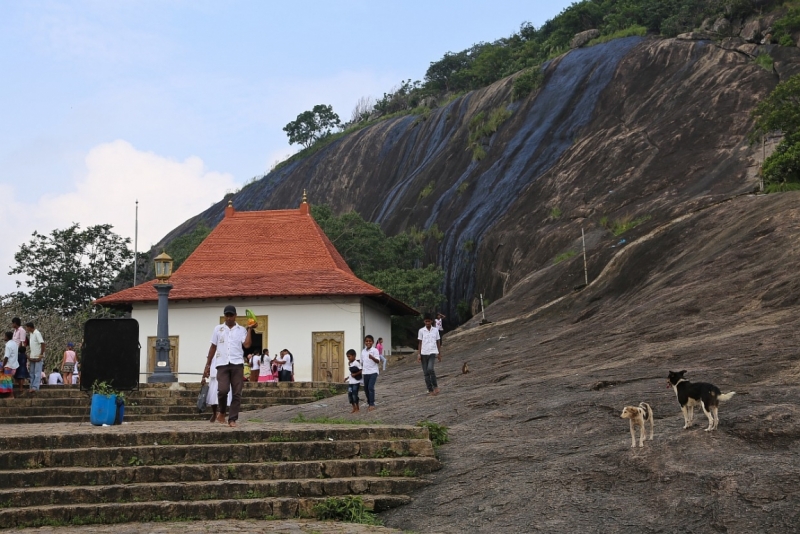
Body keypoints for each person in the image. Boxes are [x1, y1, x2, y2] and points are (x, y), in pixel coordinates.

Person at [202, 305, 255, 428]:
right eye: (227, 315)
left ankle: (232, 419)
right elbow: (213, 347)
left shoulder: (241, 330)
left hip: (237, 364)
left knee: (237, 393)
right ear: (224, 316)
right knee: (222, 390)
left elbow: (247, 345)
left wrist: (250, 329)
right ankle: (222, 412)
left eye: (231, 315)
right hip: (222, 364)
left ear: (235, 315)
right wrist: (207, 365)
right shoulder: (218, 329)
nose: (229, 318)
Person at [418, 314, 442, 396]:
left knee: (430, 369)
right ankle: (430, 389)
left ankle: (435, 386)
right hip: (423, 353)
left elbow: (438, 341)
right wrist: (419, 354)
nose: (427, 323)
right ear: (424, 321)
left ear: (431, 321)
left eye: (429, 321)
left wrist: (439, 353)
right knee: (426, 372)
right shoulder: (421, 331)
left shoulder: (435, 330)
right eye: (426, 321)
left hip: (432, 352)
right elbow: (420, 343)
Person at [361, 335, 380, 411]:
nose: (368, 342)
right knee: (366, 389)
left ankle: (372, 404)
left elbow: (378, 361)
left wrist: (372, 357)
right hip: (365, 372)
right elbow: (362, 362)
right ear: (364, 342)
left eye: (370, 341)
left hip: (373, 371)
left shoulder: (375, 350)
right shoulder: (363, 351)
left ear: (372, 342)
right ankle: (369, 402)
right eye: (366, 341)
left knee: (370, 387)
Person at [25, 322, 45, 394]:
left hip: (38, 356)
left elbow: (42, 344)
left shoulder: (37, 333)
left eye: (27, 327)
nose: (26, 329)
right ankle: (31, 386)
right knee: (32, 372)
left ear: (30, 327)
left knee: (37, 372)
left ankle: (35, 387)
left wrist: (41, 355)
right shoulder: (31, 334)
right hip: (32, 355)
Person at [11, 318, 29, 389]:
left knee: (20, 369)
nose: (12, 325)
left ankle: (21, 387)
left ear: (15, 323)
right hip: (14, 352)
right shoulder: (15, 331)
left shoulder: (22, 330)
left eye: (13, 323)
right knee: (15, 369)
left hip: (19, 352)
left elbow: (22, 342)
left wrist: (20, 351)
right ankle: (16, 384)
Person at [345, 349, 362, 413]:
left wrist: (355, 374)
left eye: (349, 356)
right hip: (350, 383)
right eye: (347, 357)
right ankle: (353, 407)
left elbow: (360, 370)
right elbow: (350, 373)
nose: (348, 358)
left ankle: (357, 407)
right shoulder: (350, 363)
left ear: (354, 356)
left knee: (355, 395)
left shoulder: (356, 363)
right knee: (350, 395)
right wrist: (347, 378)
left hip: (356, 383)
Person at [2, 331, 19, 398]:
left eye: (5, 336)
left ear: (7, 337)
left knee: (8, 381)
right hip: (14, 365)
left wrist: (3, 366)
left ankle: (11, 395)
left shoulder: (8, 345)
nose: (4, 338)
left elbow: (6, 357)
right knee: (9, 380)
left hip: (9, 366)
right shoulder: (14, 343)